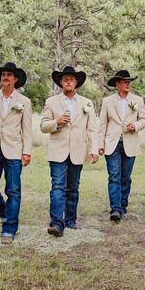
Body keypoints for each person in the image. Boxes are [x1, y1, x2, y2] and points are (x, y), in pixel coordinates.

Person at [40, 66, 99, 237]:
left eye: (71, 79)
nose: (68, 81)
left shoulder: (87, 103)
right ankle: (57, 223)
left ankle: (71, 221)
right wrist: (57, 122)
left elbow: (92, 129)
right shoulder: (51, 102)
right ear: (60, 82)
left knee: (73, 188)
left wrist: (93, 150)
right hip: (58, 151)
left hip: (78, 151)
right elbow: (43, 126)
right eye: (65, 78)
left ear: (76, 83)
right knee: (58, 187)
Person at [0, 62, 32, 245]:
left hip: (14, 149)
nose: (5, 77)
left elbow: (27, 130)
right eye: (3, 74)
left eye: (9, 75)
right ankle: (5, 213)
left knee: (13, 190)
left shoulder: (24, 102)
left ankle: (9, 229)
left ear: (15, 79)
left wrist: (26, 152)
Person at [98, 70, 145, 222]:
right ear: (117, 84)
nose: (128, 83)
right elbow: (102, 124)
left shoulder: (138, 100)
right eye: (124, 81)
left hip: (130, 143)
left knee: (126, 177)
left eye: (129, 81)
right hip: (112, 144)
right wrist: (100, 144)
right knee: (114, 177)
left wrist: (136, 125)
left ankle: (123, 207)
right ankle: (115, 209)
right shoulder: (107, 101)